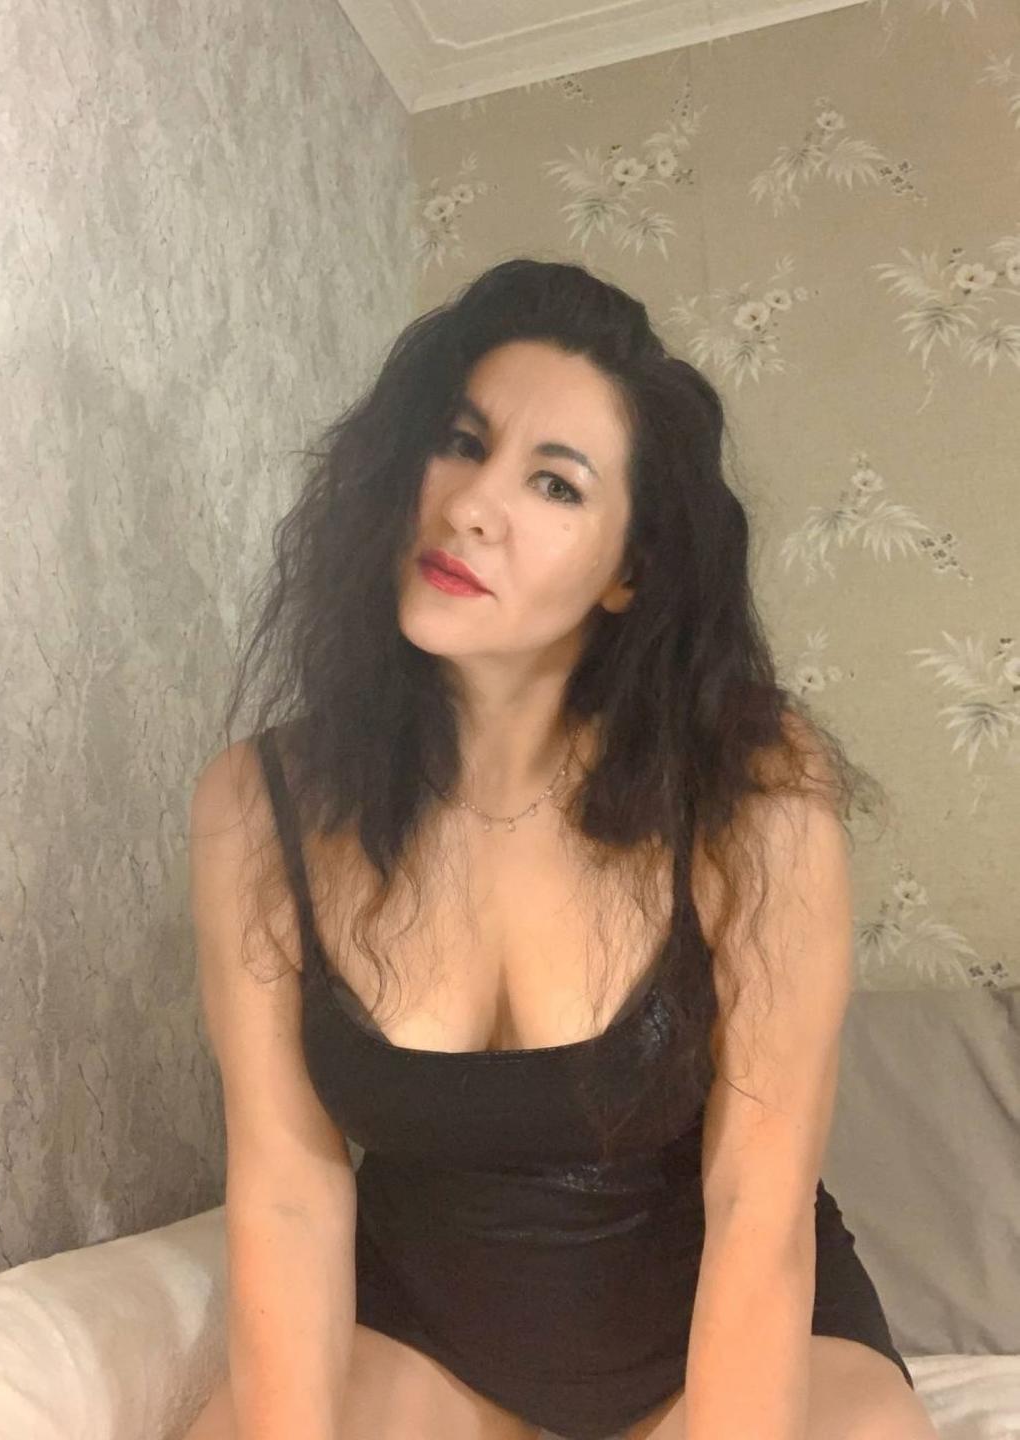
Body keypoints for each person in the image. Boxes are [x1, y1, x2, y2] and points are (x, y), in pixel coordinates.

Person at [184, 259, 938, 1440]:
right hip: (425, 1337)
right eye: (459, 442)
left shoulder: (752, 786)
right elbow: (288, 1193)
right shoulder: (259, 802)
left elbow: (756, 1203)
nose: (470, 507)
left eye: (553, 483)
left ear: (629, 571)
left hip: (706, 1336)